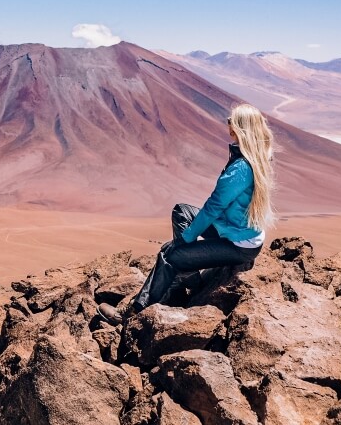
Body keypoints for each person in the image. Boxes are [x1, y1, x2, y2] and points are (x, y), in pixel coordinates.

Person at [98, 103, 275, 325]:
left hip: (239, 244)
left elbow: (213, 207)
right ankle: (185, 280)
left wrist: (187, 238)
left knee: (169, 255)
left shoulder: (241, 167)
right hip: (234, 229)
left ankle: (133, 314)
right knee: (182, 211)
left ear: (241, 128)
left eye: (232, 121)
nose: (228, 123)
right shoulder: (255, 158)